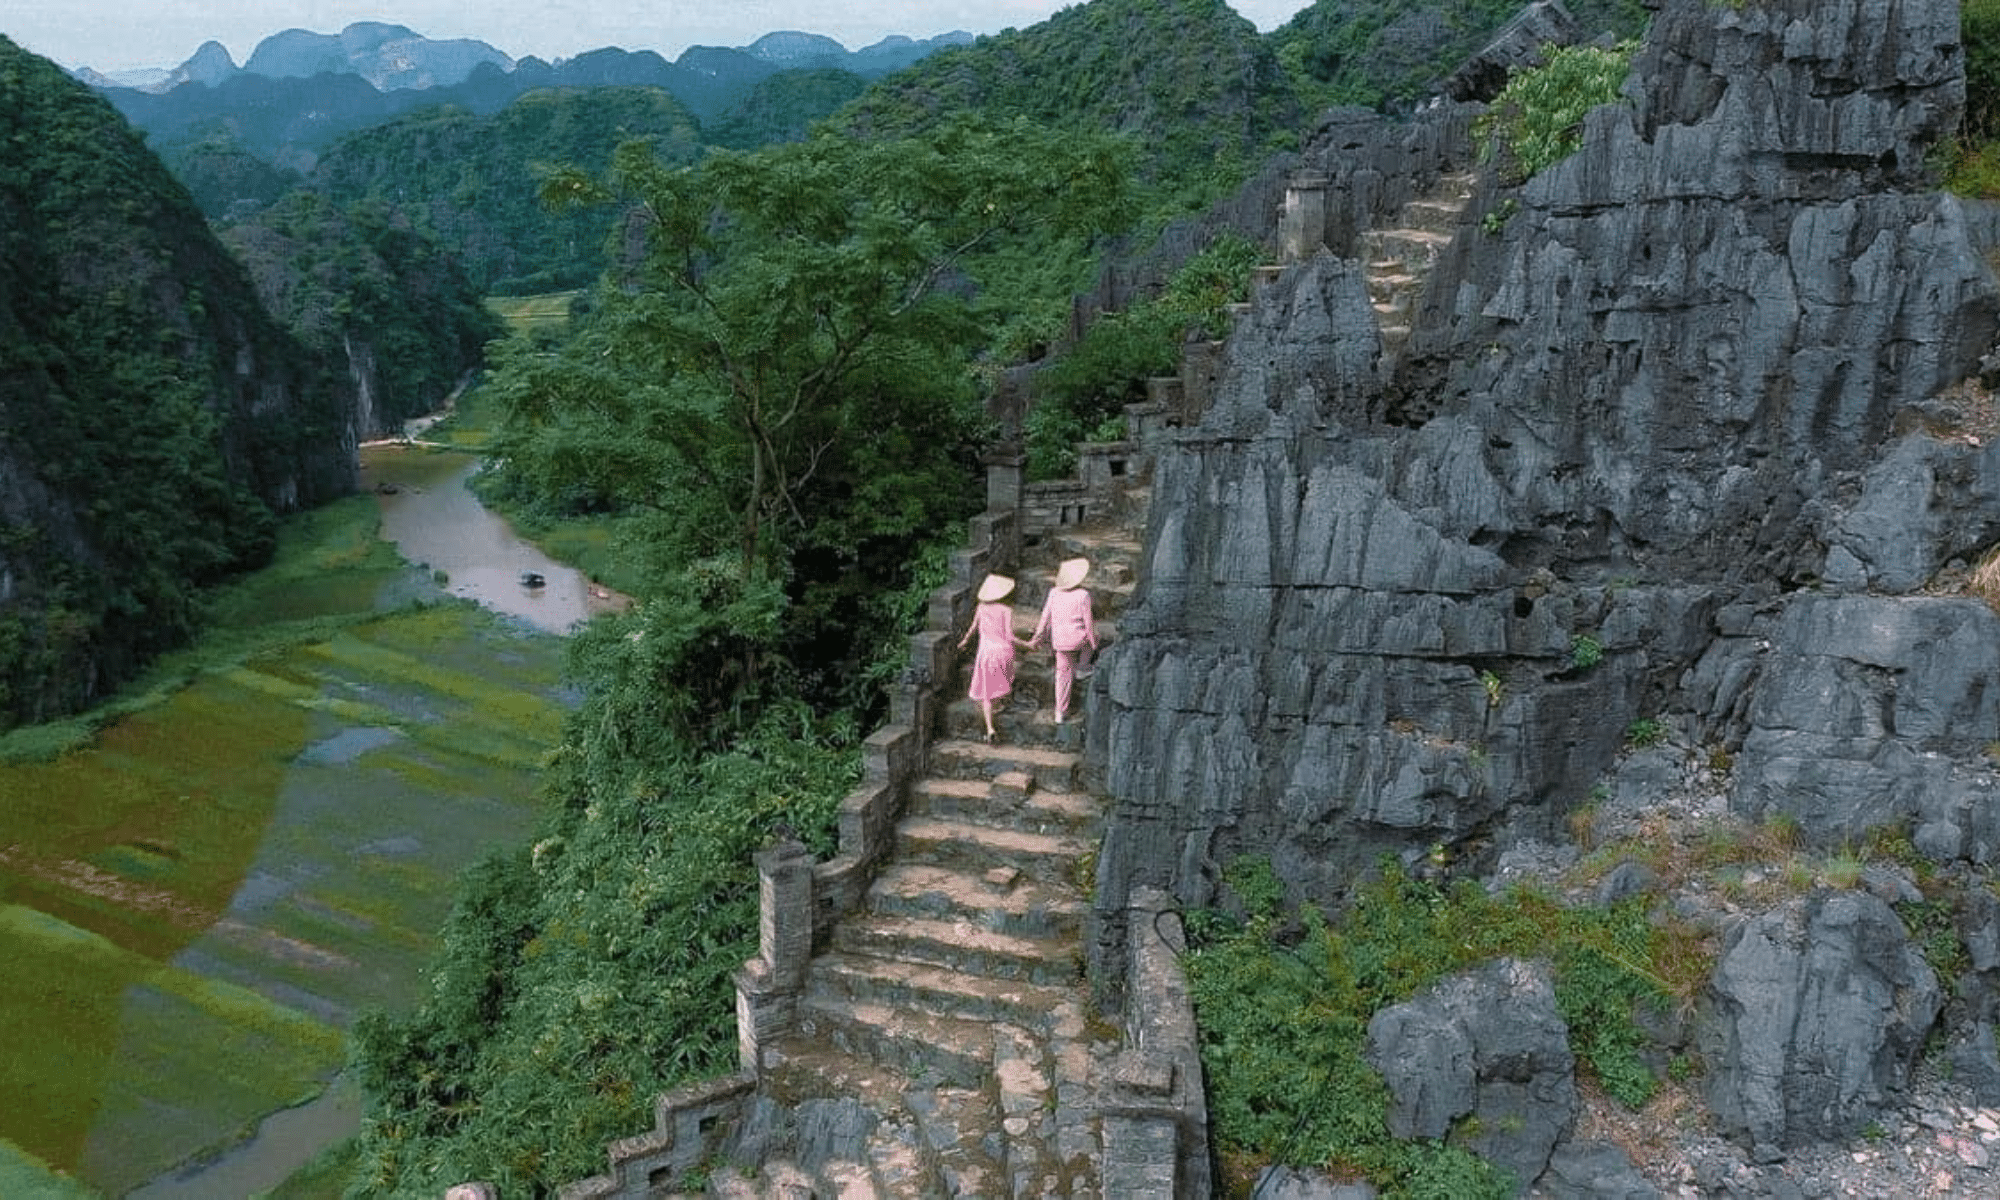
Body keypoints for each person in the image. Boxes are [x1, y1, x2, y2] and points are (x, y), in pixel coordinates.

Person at [1028, 557, 1097, 724]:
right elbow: (1088, 623)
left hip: (1059, 641)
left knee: (1063, 675)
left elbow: (1045, 617)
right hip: (1078, 639)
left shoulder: (1053, 592)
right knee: (1094, 636)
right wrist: (1094, 643)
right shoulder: (1083, 595)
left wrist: (1037, 636)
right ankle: (1083, 667)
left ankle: (1060, 712)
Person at [957, 573, 1025, 742]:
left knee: (986, 693)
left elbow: (973, 628)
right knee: (1006, 678)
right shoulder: (1006, 610)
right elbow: (1010, 636)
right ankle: (999, 702)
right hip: (1004, 652)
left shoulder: (981, 607)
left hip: (986, 654)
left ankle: (990, 728)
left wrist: (965, 640)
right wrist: (1028, 644)